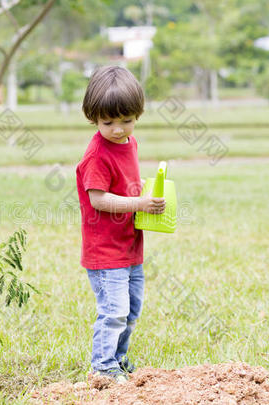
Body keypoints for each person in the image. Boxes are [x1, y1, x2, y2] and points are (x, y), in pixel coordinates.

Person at [76, 65, 166, 383]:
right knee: (114, 310)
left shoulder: (129, 142)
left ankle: (118, 358)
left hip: (129, 244)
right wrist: (140, 203)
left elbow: (125, 180)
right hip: (105, 250)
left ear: (137, 115)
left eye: (126, 120)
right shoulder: (97, 156)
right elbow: (99, 199)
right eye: (108, 122)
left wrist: (142, 188)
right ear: (93, 118)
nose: (118, 129)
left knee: (130, 310)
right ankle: (102, 366)